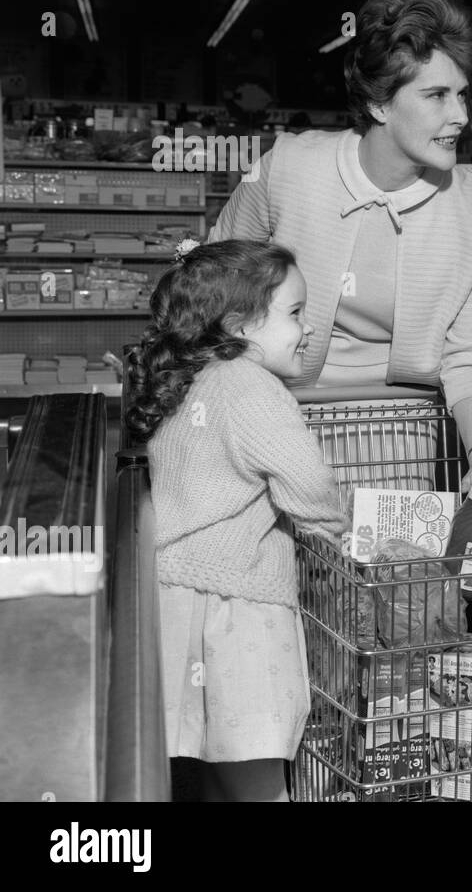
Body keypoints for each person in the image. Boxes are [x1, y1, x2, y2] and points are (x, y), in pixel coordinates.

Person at [209, 0, 472, 503]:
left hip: (397, 429)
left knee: (390, 577)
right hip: (273, 407)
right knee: (280, 574)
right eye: (437, 95)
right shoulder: (288, 167)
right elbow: (215, 277)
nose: (461, 116)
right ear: (379, 103)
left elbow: (465, 357)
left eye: (462, 94)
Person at [127, 239, 349, 801]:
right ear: (240, 324)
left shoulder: (192, 376)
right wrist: (333, 520)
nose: (308, 328)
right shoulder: (252, 386)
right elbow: (308, 480)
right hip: (237, 605)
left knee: (212, 765)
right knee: (259, 774)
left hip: (177, 598)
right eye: (295, 313)